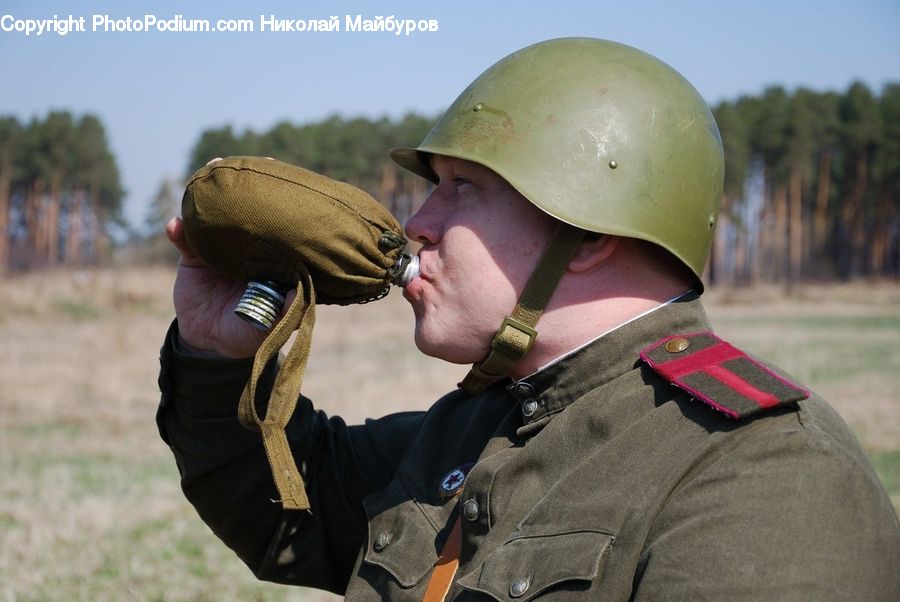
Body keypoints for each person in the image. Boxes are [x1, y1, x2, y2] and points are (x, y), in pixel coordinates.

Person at [157, 38, 899, 600]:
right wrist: (216, 351)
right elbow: (290, 511)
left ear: (591, 234)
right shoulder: (477, 427)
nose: (418, 220)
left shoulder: (764, 473)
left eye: (463, 188)